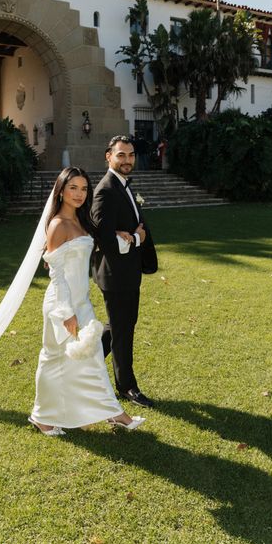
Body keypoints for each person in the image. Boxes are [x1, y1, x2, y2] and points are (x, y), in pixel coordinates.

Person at [29, 167, 145, 435]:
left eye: (84, 189)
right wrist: (66, 312)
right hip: (63, 304)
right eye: (73, 188)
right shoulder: (58, 224)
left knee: (87, 358)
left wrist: (124, 237)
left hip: (81, 301)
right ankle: (44, 417)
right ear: (61, 191)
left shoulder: (81, 221)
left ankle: (108, 413)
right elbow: (57, 276)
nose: (79, 194)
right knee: (53, 358)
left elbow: (91, 246)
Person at [91, 136, 157, 409]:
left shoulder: (124, 185)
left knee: (119, 326)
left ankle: (82, 365)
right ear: (108, 156)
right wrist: (136, 238)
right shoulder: (105, 190)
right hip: (115, 273)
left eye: (130, 155)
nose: (127, 160)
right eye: (121, 155)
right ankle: (127, 386)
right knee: (123, 329)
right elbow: (103, 238)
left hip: (128, 271)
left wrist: (134, 238)